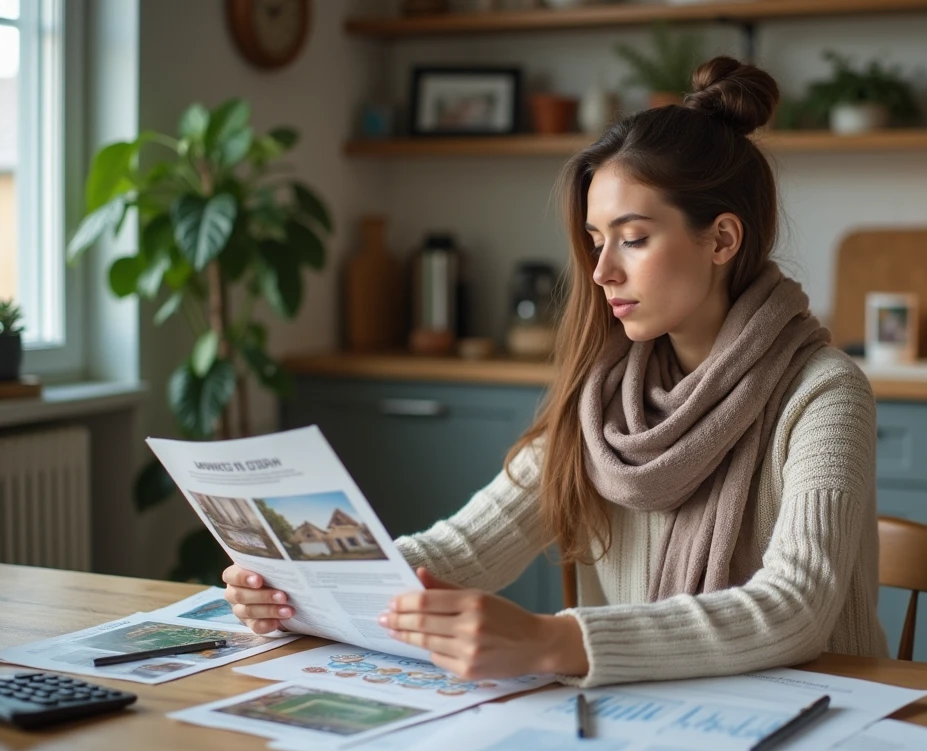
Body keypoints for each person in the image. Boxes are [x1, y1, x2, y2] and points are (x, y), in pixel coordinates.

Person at [223, 56, 889, 688]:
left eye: (632, 239)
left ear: (721, 239)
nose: (602, 272)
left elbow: (795, 607)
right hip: (653, 717)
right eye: (597, 243)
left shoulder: (824, 393)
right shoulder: (604, 400)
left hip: (823, 722)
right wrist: (302, 588)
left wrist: (555, 640)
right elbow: (461, 550)